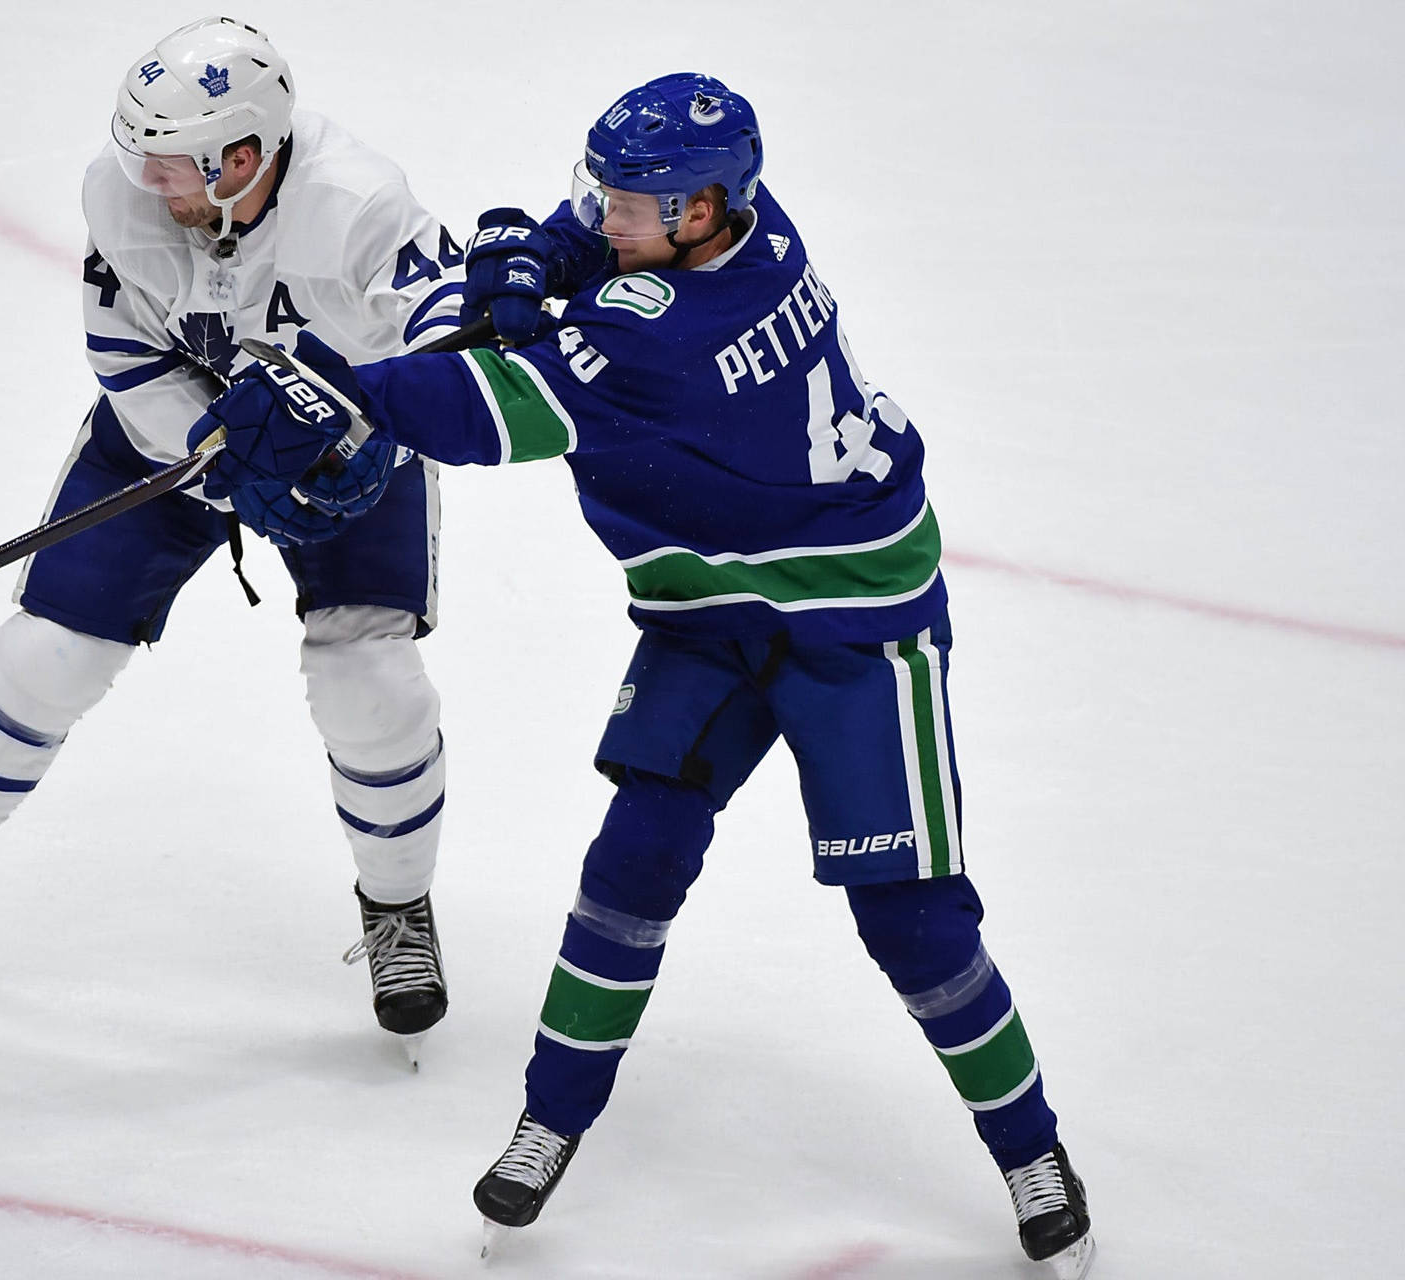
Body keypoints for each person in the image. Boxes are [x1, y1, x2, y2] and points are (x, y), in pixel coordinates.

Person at [191, 72, 1096, 1277]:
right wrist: (532, 260)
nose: (606, 212)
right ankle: (548, 1120)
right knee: (633, 863)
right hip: (706, 610)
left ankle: (1034, 1150)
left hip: (855, 618)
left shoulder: (671, 334)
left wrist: (343, 390)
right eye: (607, 191)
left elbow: (486, 405)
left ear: (703, 207)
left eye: (633, 200)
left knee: (916, 920)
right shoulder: (746, 232)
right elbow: (575, 260)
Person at [0, 17, 468, 1062]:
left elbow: (451, 337)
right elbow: (128, 357)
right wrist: (219, 451)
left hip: (344, 458)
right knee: (41, 656)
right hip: (177, 439)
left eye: (173, 163)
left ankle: (399, 910)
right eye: (141, 154)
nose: (148, 180)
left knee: (372, 688)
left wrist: (356, 430)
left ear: (245, 155)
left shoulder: (356, 202)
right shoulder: (121, 193)